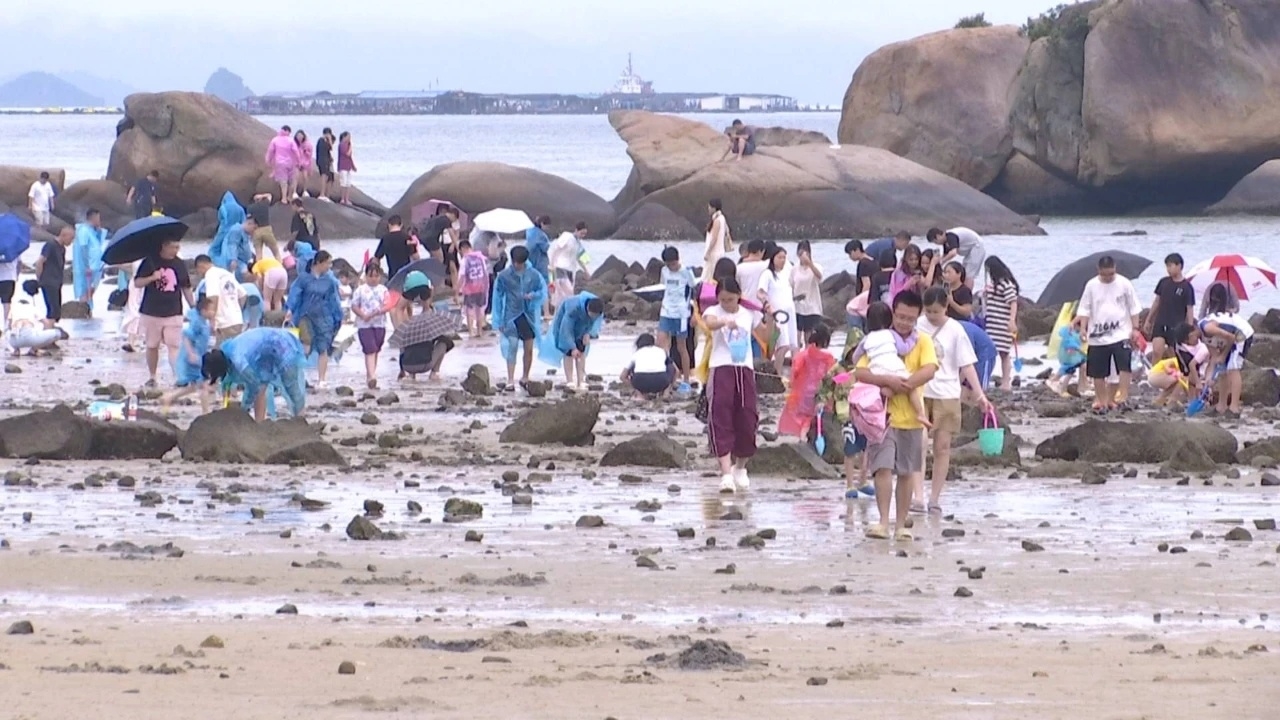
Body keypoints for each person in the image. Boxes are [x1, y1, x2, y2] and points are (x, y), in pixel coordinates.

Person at [854, 291, 938, 541]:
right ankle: (883, 521)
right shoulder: (881, 337)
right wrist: (887, 381)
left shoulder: (922, 341)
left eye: (910, 319)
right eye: (900, 317)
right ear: (892, 314)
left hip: (911, 419)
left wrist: (905, 385)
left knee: (906, 472)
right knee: (882, 468)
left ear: (918, 317)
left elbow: (930, 369)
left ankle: (901, 524)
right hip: (882, 417)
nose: (904, 323)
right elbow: (860, 371)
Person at [915, 287, 991, 515]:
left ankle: (934, 498)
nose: (932, 316)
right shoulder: (917, 326)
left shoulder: (956, 330)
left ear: (946, 307)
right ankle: (917, 496)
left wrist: (979, 395)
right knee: (918, 444)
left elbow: (966, 364)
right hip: (920, 391)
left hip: (947, 393)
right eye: (928, 311)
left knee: (942, 447)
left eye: (936, 311)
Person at [701, 278, 760, 493]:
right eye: (723, 300)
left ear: (739, 296)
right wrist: (724, 321)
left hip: (744, 368)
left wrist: (772, 318)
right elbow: (709, 323)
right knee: (721, 416)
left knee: (747, 417)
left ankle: (740, 467)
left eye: (731, 299)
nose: (726, 303)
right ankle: (726, 473)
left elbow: (765, 334)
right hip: (721, 367)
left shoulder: (748, 313)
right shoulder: (713, 311)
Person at [1074, 255, 1142, 414]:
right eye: (1104, 274)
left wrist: (1135, 329)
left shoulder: (1124, 283)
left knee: (1124, 365)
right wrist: (1083, 328)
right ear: (1098, 270)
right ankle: (1103, 401)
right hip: (1097, 336)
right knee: (1098, 372)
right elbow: (1084, 309)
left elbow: (1134, 308)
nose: (1108, 277)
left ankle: (1121, 397)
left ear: (1115, 268)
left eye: (1111, 274)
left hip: (1121, 333)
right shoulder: (1091, 285)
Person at [847, 304, 931, 431]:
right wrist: (913, 339)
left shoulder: (866, 339)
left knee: (883, 386)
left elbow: (856, 356)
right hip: (893, 365)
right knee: (910, 387)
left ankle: (886, 392)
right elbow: (903, 349)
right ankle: (920, 413)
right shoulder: (891, 334)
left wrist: (857, 360)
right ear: (890, 320)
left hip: (876, 368)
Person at [203, 328, 308, 421]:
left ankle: (300, 419)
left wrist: (243, 408)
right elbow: (229, 383)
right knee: (262, 387)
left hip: (280, 343)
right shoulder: (225, 354)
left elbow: (253, 384)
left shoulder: (238, 360)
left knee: (291, 386)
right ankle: (259, 423)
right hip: (262, 354)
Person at [136, 238, 194, 386]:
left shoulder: (179, 263)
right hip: (151, 311)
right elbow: (137, 283)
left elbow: (186, 287)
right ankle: (152, 376)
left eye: (178, 247)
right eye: (173, 247)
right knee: (152, 345)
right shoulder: (149, 261)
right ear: (164, 246)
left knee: (174, 345)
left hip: (174, 311)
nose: (176, 251)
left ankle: (178, 377)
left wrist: (193, 306)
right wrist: (152, 277)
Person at [491, 245, 547, 390]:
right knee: (513, 345)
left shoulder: (533, 275)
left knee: (529, 348)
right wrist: (498, 320)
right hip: (510, 315)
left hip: (528, 315)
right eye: (515, 262)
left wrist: (532, 295)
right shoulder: (504, 276)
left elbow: (542, 291)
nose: (517, 265)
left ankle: (525, 376)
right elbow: (497, 297)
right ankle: (510, 379)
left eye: (520, 263)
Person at [286, 249, 342, 389]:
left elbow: (334, 300)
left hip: (324, 317)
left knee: (323, 347)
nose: (330, 266)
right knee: (306, 343)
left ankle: (321, 380)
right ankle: (300, 376)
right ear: (319, 262)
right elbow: (295, 294)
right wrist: (289, 309)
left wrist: (338, 316)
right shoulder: (303, 279)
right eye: (328, 263)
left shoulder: (329, 281)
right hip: (305, 315)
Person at [1199, 283, 1254, 418]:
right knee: (1222, 370)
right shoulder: (1203, 336)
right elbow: (1214, 358)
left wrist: (1224, 354)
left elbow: (1231, 337)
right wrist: (1208, 378)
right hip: (1231, 336)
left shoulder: (1206, 326)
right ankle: (1221, 406)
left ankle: (1234, 408)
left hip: (1242, 334)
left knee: (1233, 368)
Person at [160, 297, 216, 414]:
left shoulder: (203, 322)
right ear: (203, 311)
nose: (213, 312)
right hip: (192, 358)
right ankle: (206, 412)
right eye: (211, 310)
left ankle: (169, 398)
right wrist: (190, 353)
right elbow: (186, 336)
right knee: (203, 385)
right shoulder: (197, 323)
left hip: (198, 358)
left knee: (195, 386)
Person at [778, 324, 835, 438]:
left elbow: (795, 373)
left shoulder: (803, 355)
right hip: (819, 395)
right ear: (826, 341)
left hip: (801, 395)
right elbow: (832, 377)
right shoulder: (829, 358)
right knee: (815, 417)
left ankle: (800, 435)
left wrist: (791, 383)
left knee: (798, 416)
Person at [542, 292, 605, 390]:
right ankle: (570, 380)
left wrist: (588, 333)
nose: (593, 317)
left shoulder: (598, 311)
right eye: (592, 315)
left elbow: (594, 324)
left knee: (581, 350)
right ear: (587, 309)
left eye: (595, 316)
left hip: (583, 327)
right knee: (568, 353)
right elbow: (566, 329)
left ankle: (581, 380)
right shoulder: (573, 308)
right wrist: (572, 347)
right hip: (565, 323)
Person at [656, 246, 696, 390]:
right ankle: (669, 376)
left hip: (681, 313)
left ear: (677, 260)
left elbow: (694, 291)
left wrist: (695, 313)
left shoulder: (686, 272)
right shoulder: (664, 271)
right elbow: (663, 287)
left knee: (681, 347)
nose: (671, 267)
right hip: (666, 311)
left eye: (672, 264)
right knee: (660, 344)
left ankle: (686, 379)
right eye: (668, 264)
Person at [1144, 252, 1196, 361]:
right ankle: (1154, 372)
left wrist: (1189, 329)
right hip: (1160, 323)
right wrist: (1148, 320)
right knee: (1157, 352)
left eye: (1170, 266)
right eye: (1167, 266)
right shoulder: (1163, 282)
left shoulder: (1187, 287)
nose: (1168, 269)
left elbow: (1189, 309)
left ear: (1179, 266)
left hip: (1176, 326)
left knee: (1173, 355)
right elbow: (1157, 301)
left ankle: (1176, 371)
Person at [757, 245, 798, 377]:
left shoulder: (787, 271)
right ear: (773, 258)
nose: (782, 260)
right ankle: (777, 374)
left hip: (790, 311)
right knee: (782, 345)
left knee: (793, 344)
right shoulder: (767, 274)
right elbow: (760, 293)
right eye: (779, 257)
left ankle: (793, 374)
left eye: (784, 257)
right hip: (777, 314)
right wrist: (767, 305)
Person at [982, 256, 1020, 392]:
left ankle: (1006, 382)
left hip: (1002, 323)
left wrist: (1012, 320)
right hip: (992, 323)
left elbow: (1013, 302)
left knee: (1004, 353)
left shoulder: (1006, 284)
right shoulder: (993, 284)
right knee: (990, 352)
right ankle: (987, 379)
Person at [351, 261, 389, 389]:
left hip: (380, 324)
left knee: (376, 349)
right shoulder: (360, 290)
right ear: (366, 276)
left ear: (380, 276)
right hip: (364, 325)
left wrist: (377, 312)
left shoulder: (383, 290)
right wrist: (363, 315)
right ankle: (372, 376)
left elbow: (387, 305)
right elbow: (354, 305)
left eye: (376, 276)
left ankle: (370, 374)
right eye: (371, 276)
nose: (373, 279)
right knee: (370, 349)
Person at [194, 254, 246, 345]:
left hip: (223, 322)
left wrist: (212, 320)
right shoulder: (226, 274)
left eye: (198, 271)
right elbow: (243, 295)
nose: (199, 274)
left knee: (221, 351)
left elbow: (213, 297)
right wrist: (237, 310)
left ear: (200, 266)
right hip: (237, 320)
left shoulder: (210, 274)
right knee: (234, 348)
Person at [8, 281, 65, 356]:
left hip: (14, 339)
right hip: (28, 336)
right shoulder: (33, 307)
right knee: (57, 333)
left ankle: (16, 350)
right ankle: (34, 349)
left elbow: (9, 325)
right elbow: (46, 323)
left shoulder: (14, 308)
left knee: (8, 332)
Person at [209, 192, 253, 278]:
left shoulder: (224, 207)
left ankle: (220, 264)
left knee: (217, 248)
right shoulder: (240, 208)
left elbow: (222, 218)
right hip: (237, 230)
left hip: (224, 229)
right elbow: (243, 220)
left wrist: (223, 225)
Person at [549, 221, 591, 308]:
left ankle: (561, 312)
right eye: (581, 233)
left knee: (564, 295)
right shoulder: (567, 236)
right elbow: (556, 249)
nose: (583, 236)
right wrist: (552, 265)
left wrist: (586, 271)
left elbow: (580, 258)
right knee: (566, 292)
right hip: (559, 267)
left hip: (570, 270)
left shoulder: (578, 243)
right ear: (576, 230)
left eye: (584, 234)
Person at [34, 225, 72, 321]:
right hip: (48, 281)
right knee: (53, 310)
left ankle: (51, 326)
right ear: (64, 235)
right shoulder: (50, 245)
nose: (71, 241)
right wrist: (39, 278)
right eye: (71, 238)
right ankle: (48, 326)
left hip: (57, 282)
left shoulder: (62, 248)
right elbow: (40, 261)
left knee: (56, 311)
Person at [621, 333, 677, 398]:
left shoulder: (636, 353)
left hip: (640, 382)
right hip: (661, 381)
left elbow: (622, 376)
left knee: (634, 367)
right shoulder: (661, 351)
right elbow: (676, 370)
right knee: (669, 365)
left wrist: (634, 387)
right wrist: (671, 384)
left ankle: (640, 394)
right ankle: (666, 393)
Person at [72, 209, 107, 311]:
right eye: (98, 218)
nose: (99, 221)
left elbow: (98, 245)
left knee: (91, 291)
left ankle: (89, 311)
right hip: (86, 268)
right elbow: (83, 249)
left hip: (96, 266)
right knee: (84, 291)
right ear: (93, 218)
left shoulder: (94, 231)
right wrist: (87, 265)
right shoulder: (83, 230)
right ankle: (83, 310)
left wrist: (99, 231)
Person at [792, 241, 824, 347]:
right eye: (800, 253)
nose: (803, 256)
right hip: (797, 307)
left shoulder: (816, 267)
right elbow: (790, 285)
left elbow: (819, 277)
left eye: (805, 253)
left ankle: (808, 353)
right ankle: (796, 354)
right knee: (796, 334)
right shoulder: (794, 269)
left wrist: (810, 263)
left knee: (809, 336)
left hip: (812, 307)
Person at [458, 238, 489, 338]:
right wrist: (486, 286)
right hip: (481, 287)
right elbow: (485, 273)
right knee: (480, 310)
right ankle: (479, 331)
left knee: (469, 311)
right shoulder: (480, 258)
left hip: (469, 288)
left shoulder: (465, 260)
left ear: (462, 249)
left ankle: (471, 332)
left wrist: (457, 290)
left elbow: (462, 276)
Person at [1046, 323, 1087, 397]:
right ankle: (1060, 387)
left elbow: (1079, 341)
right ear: (1076, 325)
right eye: (1080, 327)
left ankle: (1081, 387)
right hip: (1069, 356)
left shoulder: (1073, 332)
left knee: (1079, 367)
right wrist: (1078, 349)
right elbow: (1070, 343)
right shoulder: (1069, 332)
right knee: (1069, 371)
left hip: (1074, 356)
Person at [957, 319, 998, 393]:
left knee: (980, 386)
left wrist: (957, 383)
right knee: (967, 385)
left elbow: (968, 361)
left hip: (985, 353)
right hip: (974, 351)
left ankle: (981, 398)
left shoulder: (962, 332)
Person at [375, 214, 418, 279]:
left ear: (389, 225)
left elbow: (376, 258)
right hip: (406, 274)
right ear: (401, 225)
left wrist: (377, 272)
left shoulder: (385, 239)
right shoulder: (407, 237)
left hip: (393, 276)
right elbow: (416, 257)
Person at [265, 125, 301, 204]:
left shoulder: (275, 140)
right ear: (289, 132)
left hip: (280, 163)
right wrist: (298, 162)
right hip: (291, 163)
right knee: (292, 180)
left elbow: (270, 151)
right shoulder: (291, 140)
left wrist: (268, 160)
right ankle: (289, 196)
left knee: (283, 181)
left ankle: (284, 198)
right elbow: (296, 152)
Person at [702, 199, 732, 282]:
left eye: (709, 207)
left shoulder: (717, 220)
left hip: (714, 253)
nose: (708, 209)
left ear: (714, 208)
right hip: (720, 253)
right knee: (715, 278)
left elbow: (714, 238)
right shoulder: (722, 218)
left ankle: (707, 291)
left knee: (708, 278)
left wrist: (708, 252)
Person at [524, 215, 552, 290]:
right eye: (547, 226)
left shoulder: (529, 231)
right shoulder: (541, 235)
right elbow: (546, 249)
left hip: (530, 260)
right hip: (539, 262)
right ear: (542, 224)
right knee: (542, 283)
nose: (547, 229)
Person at [315, 128, 336, 201]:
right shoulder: (321, 141)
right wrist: (329, 140)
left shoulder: (326, 141)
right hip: (323, 161)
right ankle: (322, 194)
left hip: (328, 161)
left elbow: (329, 150)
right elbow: (329, 148)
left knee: (331, 178)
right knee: (324, 176)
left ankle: (327, 195)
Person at [336, 131, 356, 205]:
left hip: (348, 167)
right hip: (343, 166)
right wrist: (350, 147)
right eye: (348, 137)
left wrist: (353, 166)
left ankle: (346, 199)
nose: (349, 138)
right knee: (343, 183)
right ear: (344, 137)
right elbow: (347, 154)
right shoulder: (342, 145)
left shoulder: (347, 145)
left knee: (348, 183)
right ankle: (342, 199)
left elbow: (350, 157)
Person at [294, 130, 313, 198]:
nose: (299, 137)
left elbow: (310, 155)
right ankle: (294, 192)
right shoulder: (294, 144)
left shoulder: (307, 144)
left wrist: (306, 151)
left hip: (304, 163)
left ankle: (305, 191)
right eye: (298, 136)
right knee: (296, 177)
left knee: (305, 177)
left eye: (300, 136)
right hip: (296, 163)